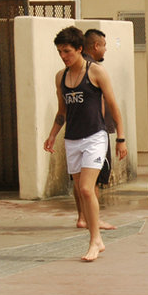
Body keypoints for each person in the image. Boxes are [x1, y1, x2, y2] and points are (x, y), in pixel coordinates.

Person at [44, 26, 128, 262]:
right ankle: (95, 237)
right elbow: (62, 112)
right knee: (81, 192)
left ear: (80, 49)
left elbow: (113, 106)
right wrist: (52, 135)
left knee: (86, 189)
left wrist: (121, 139)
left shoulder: (96, 72)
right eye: (60, 52)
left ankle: (95, 240)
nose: (63, 56)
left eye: (67, 51)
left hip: (95, 136)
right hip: (72, 139)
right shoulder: (60, 77)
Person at [70, 28, 116, 230]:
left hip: (76, 132)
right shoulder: (94, 69)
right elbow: (106, 103)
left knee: (80, 180)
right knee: (92, 181)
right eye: (104, 45)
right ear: (96, 46)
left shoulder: (75, 70)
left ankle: (82, 217)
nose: (105, 49)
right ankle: (92, 220)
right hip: (94, 132)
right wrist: (118, 135)